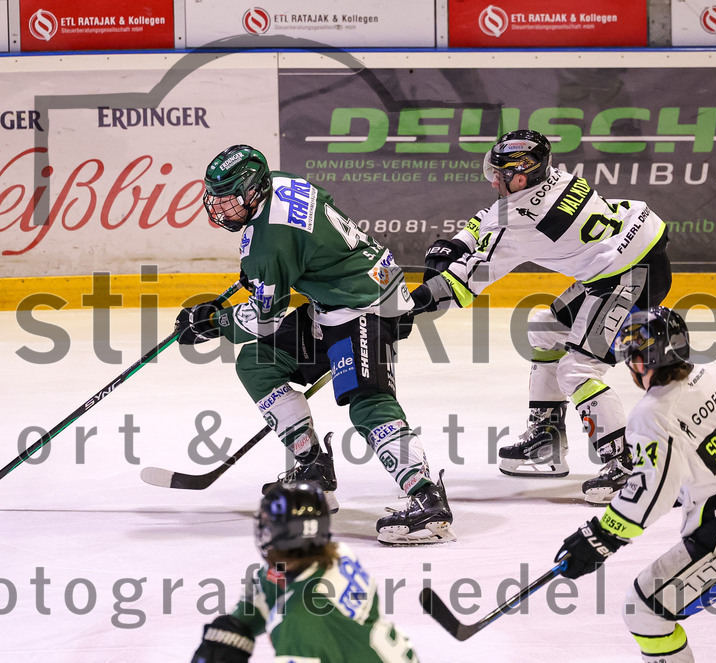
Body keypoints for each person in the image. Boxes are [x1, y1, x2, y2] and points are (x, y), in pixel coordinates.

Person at [175, 144, 453, 545]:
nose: (222, 211)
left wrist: (213, 323)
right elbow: (301, 249)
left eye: (231, 201)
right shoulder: (283, 185)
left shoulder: (268, 243)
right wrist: (261, 272)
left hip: (365, 306)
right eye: (216, 201)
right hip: (348, 296)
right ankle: (313, 469)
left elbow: (267, 319)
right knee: (258, 364)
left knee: (367, 401)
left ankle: (427, 499)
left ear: (254, 191)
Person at [406, 129, 672, 505]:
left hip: (631, 274)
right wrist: (457, 243)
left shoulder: (522, 224)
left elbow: (464, 284)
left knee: (578, 370)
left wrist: (408, 305)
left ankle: (627, 468)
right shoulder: (551, 179)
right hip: (625, 258)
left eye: (500, 175)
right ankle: (546, 442)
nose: (494, 181)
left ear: (520, 177)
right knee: (545, 331)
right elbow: (489, 217)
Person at [554, 306, 716, 662]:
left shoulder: (652, 414)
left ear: (640, 363)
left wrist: (599, 538)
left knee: (646, 611)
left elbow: (653, 492)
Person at [190, 481, 422, 662]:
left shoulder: (300, 625)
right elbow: (268, 590)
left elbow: (300, 616)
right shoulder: (340, 556)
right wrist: (233, 630)